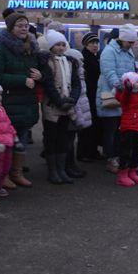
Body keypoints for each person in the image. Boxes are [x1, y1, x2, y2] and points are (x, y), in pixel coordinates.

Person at [0, 12, 42, 189]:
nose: (24, 28)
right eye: (19, 25)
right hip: (9, 100)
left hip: (27, 101)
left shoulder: (31, 47)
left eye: (26, 25)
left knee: (22, 137)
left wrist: (39, 75)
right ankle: (3, 174)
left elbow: (36, 70)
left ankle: (16, 172)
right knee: (7, 139)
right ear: (11, 28)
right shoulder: (0, 48)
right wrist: (21, 80)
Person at [39, 30, 81, 185]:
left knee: (64, 138)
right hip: (52, 105)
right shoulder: (47, 62)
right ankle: (53, 171)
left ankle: (61, 169)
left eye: (63, 44)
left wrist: (73, 99)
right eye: (57, 44)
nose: (61, 47)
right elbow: (49, 84)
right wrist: (59, 101)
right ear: (51, 46)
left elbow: (76, 83)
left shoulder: (70, 62)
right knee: (51, 138)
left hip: (68, 105)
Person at [97, 24, 138, 174]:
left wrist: (133, 84)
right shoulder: (109, 51)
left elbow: (131, 71)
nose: (132, 45)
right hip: (112, 95)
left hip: (125, 96)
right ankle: (110, 157)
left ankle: (118, 155)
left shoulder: (129, 52)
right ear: (122, 39)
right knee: (111, 129)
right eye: (130, 42)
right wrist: (121, 86)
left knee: (121, 130)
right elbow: (109, 72)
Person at [64, 48, 92, 178]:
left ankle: (71, 164)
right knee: (68, 140)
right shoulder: (72, 75)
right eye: (79, 60)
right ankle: (68, 165)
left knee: (71, 138)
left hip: (78, 110)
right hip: (73, 111)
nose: (82, 63)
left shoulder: (79, 73)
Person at [78, 32, 103, 161]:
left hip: (96, 94)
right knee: (86, 124)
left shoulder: (97, 56)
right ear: (86, 45)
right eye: (92, 43)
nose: (95, 45)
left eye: (96, 43)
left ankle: (92, 150)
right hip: (87, 94)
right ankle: (83, 152)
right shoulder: (84, 57)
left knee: (95, 123)